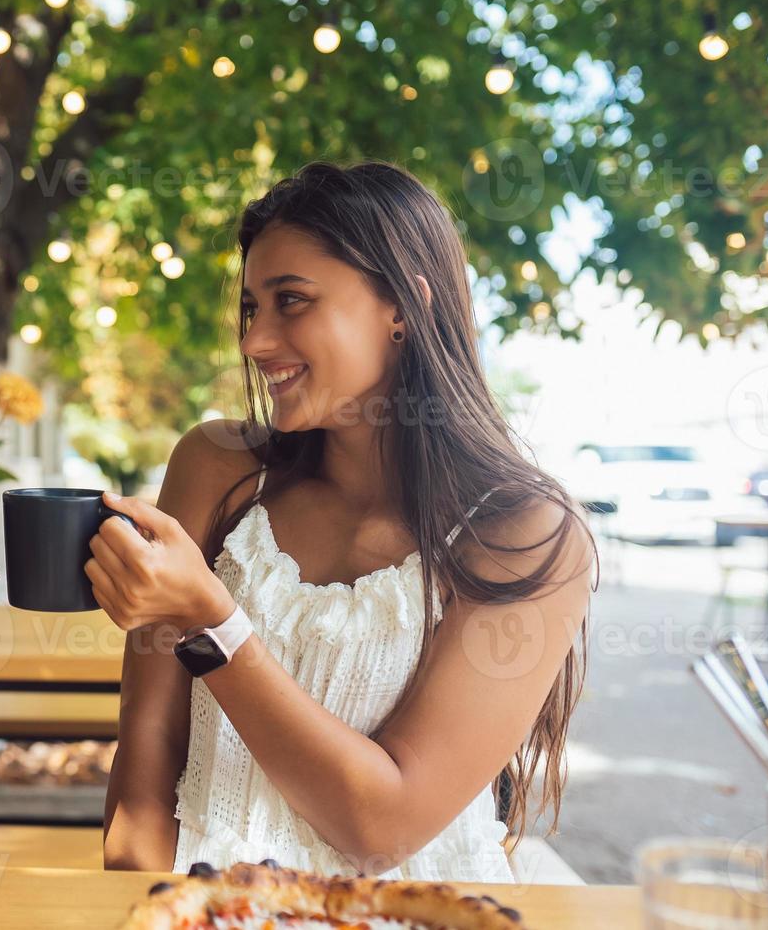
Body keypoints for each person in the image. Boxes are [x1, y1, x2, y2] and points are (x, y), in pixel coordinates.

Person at [91, 161, 595, 881]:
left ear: (403, 308)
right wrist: (145, 910)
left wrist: (214, 622)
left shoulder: (523, 537)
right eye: (249, 308)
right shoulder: (216, 472)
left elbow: (378, 829)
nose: (253, 342)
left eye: (290, 301)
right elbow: (143, 773)